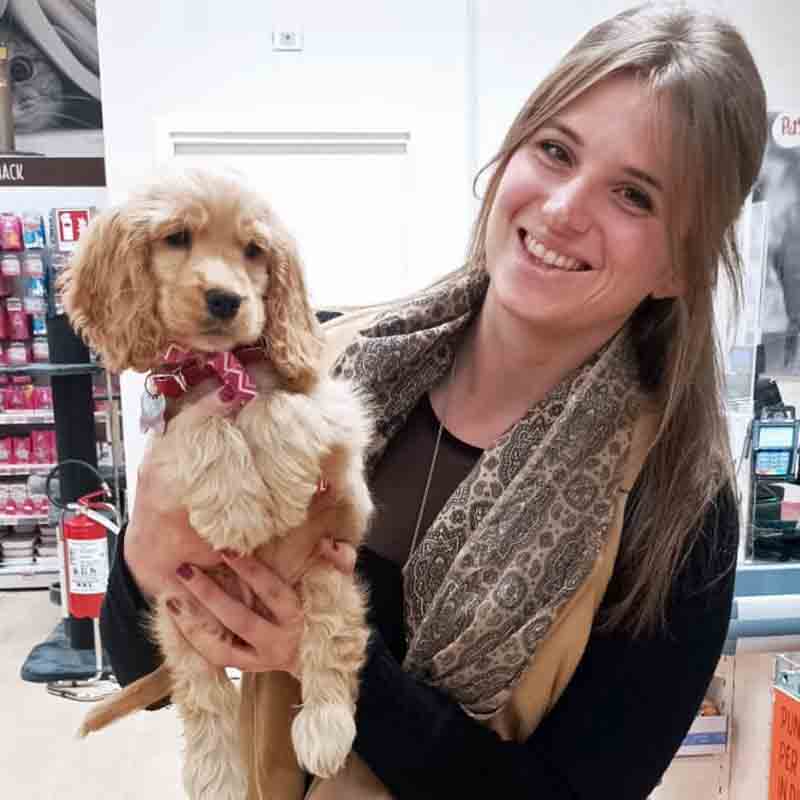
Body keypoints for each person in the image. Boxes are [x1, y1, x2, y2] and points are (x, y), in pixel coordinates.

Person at [100, 3, 767, 798]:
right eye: (556, 150)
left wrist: (336, 664)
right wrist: (142, 557)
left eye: (634, 196)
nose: (561, 209)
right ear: (512, 151)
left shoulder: (677, 507)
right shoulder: (322, 367)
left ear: (680, 267)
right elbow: (141, 662)